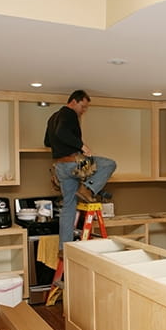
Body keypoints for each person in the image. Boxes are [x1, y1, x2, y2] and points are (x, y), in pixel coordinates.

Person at [44, 90, 116, 252]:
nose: (84, 110)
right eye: (83, 107)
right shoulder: (69, 114)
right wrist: (81, 146)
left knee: (69, 206)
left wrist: (61, 146)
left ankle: (64, 247)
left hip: (60, 167)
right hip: (73, 163)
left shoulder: (52, 118)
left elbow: (47, 141)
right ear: (74, 102)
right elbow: (62, 133)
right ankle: (87, 188)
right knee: (109, 164)